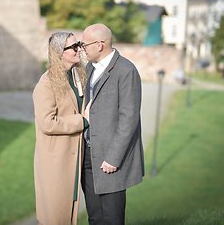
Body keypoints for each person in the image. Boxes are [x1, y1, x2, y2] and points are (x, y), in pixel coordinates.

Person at [80, 23, 144, 225]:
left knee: (113, 219)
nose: (82, 48)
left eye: (84, 44)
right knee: (95, 217)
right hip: (88, 157)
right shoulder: (90, 67)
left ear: (99, 44)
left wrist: (114, 158)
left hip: (110, 159)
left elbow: (129, 118)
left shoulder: (126, 70)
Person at [32, 31, 89, 225]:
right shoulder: (45, 84)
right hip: (56, 161)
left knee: (70, 213)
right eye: (73, 47)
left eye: (78, 44)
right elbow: (48, 123)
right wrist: (82, 121)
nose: (78, 50)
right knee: (55, 217)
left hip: (75, 157)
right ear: (59, 53)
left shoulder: (78, 76)